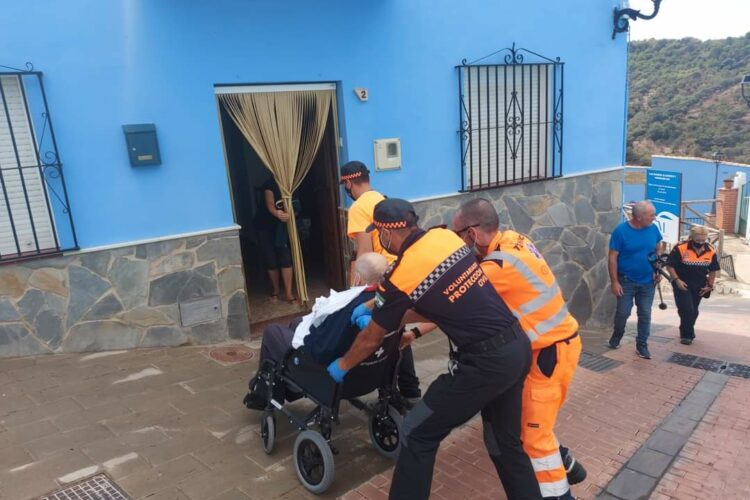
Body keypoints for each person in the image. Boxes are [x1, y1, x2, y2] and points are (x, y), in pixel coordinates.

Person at [327, 198, 541, 500]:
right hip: (517, 347)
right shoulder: (445, 238)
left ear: (387, 233)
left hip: (484, 364)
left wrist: (342, 366)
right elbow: (443, 304)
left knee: (417, 432)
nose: (380, 240)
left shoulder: (400, 276)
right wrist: (379, 309)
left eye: (380, 235)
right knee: (504, 445)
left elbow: (371, 339)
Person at [452, 198, 585, 500]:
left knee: (535, 440)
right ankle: (568, 462)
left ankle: (558, 495)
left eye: (458, 235)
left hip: (549, 355)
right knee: (530, 422)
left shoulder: (496, 267)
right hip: (557, 345)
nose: (458, 242)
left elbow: (455, 296)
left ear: (472, 234)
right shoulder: (514, 240)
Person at [244, 253, 388, 410]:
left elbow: (323, 349)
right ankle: (283, 388)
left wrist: (308, 338)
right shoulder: (390, 302)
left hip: (331, 372)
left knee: (272, 332)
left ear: (357, 278)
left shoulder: (348, 307)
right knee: (297, 322)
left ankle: (265, 395)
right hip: (370, 374)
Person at [340, 160, 422, 404]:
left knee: (381, 333)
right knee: (398, 331)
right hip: (403, 271)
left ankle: (389, 391)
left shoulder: (357, 209)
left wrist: (356, 292)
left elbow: (364, 254)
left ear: (348, 183)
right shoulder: (383, 199)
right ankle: (410, 389)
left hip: (383, 277)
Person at [607, 200, 663, 359]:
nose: (654, 217)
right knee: (623, 313)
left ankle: (642, 345)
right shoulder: (621, 231)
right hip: (626, 280)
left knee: (645, 313)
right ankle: (617, 336)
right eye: (651, 215)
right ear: (639, 217)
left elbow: (658, 248)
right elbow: (612, 258)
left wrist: (657, 268)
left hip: (648, 282)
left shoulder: (653, 229)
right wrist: (614, 282)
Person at [666, 226, 719, 345]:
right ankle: (687, 335)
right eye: (698, 240)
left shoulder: (710, 250)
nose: (700, 243)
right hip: (682, 283)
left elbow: (713, 270)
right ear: (691, 237)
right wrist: (677, 280)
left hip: (699, 285)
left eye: (703, 240)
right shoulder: (680, 248)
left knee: (693, 311)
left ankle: (684, 327)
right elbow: (670, 265)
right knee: (687, 309)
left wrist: (710, 285)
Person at [254, 176, 295, 303]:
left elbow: (296, 204)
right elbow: (270, 203)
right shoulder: (269, 184)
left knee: (286, 258)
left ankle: (289, 294)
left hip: (282, 228)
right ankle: (275, 291)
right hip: (265, 227)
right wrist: (277, 213)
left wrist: (292, 214)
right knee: (271, 260)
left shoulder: (290, 184)